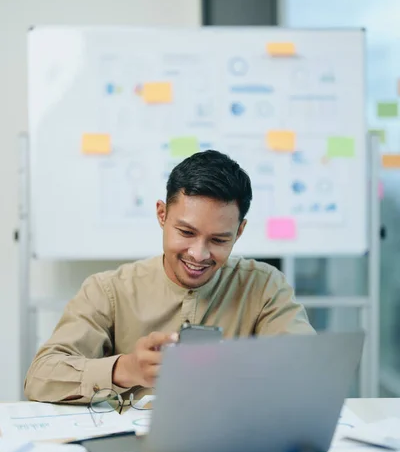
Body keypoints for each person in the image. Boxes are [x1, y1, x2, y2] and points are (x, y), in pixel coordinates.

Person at [24, 150, 315, 403]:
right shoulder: (108, 290)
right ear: (162, 215)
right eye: (186, 232)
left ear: (239, 232)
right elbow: (41, 377)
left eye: (219, 240)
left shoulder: (264, 287)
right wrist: (127, 369)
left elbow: (309, 371)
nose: (199, 254)